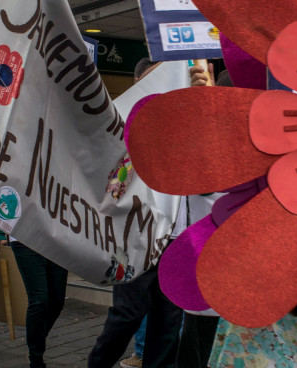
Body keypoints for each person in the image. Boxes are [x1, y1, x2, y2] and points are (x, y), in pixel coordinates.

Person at [87, 58, 212, 368]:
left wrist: (203, 99)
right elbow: (113, 182)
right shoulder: (127, 126)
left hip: (176, 241)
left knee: (168, 326)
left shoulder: (187, 125)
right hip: (136, 237)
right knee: (127, 314)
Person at [11, 238, 69, 368]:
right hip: (25, 239)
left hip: (56, 240)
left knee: (57, 301)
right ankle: (36, 359)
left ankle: (37, 339)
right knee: (39, 301)